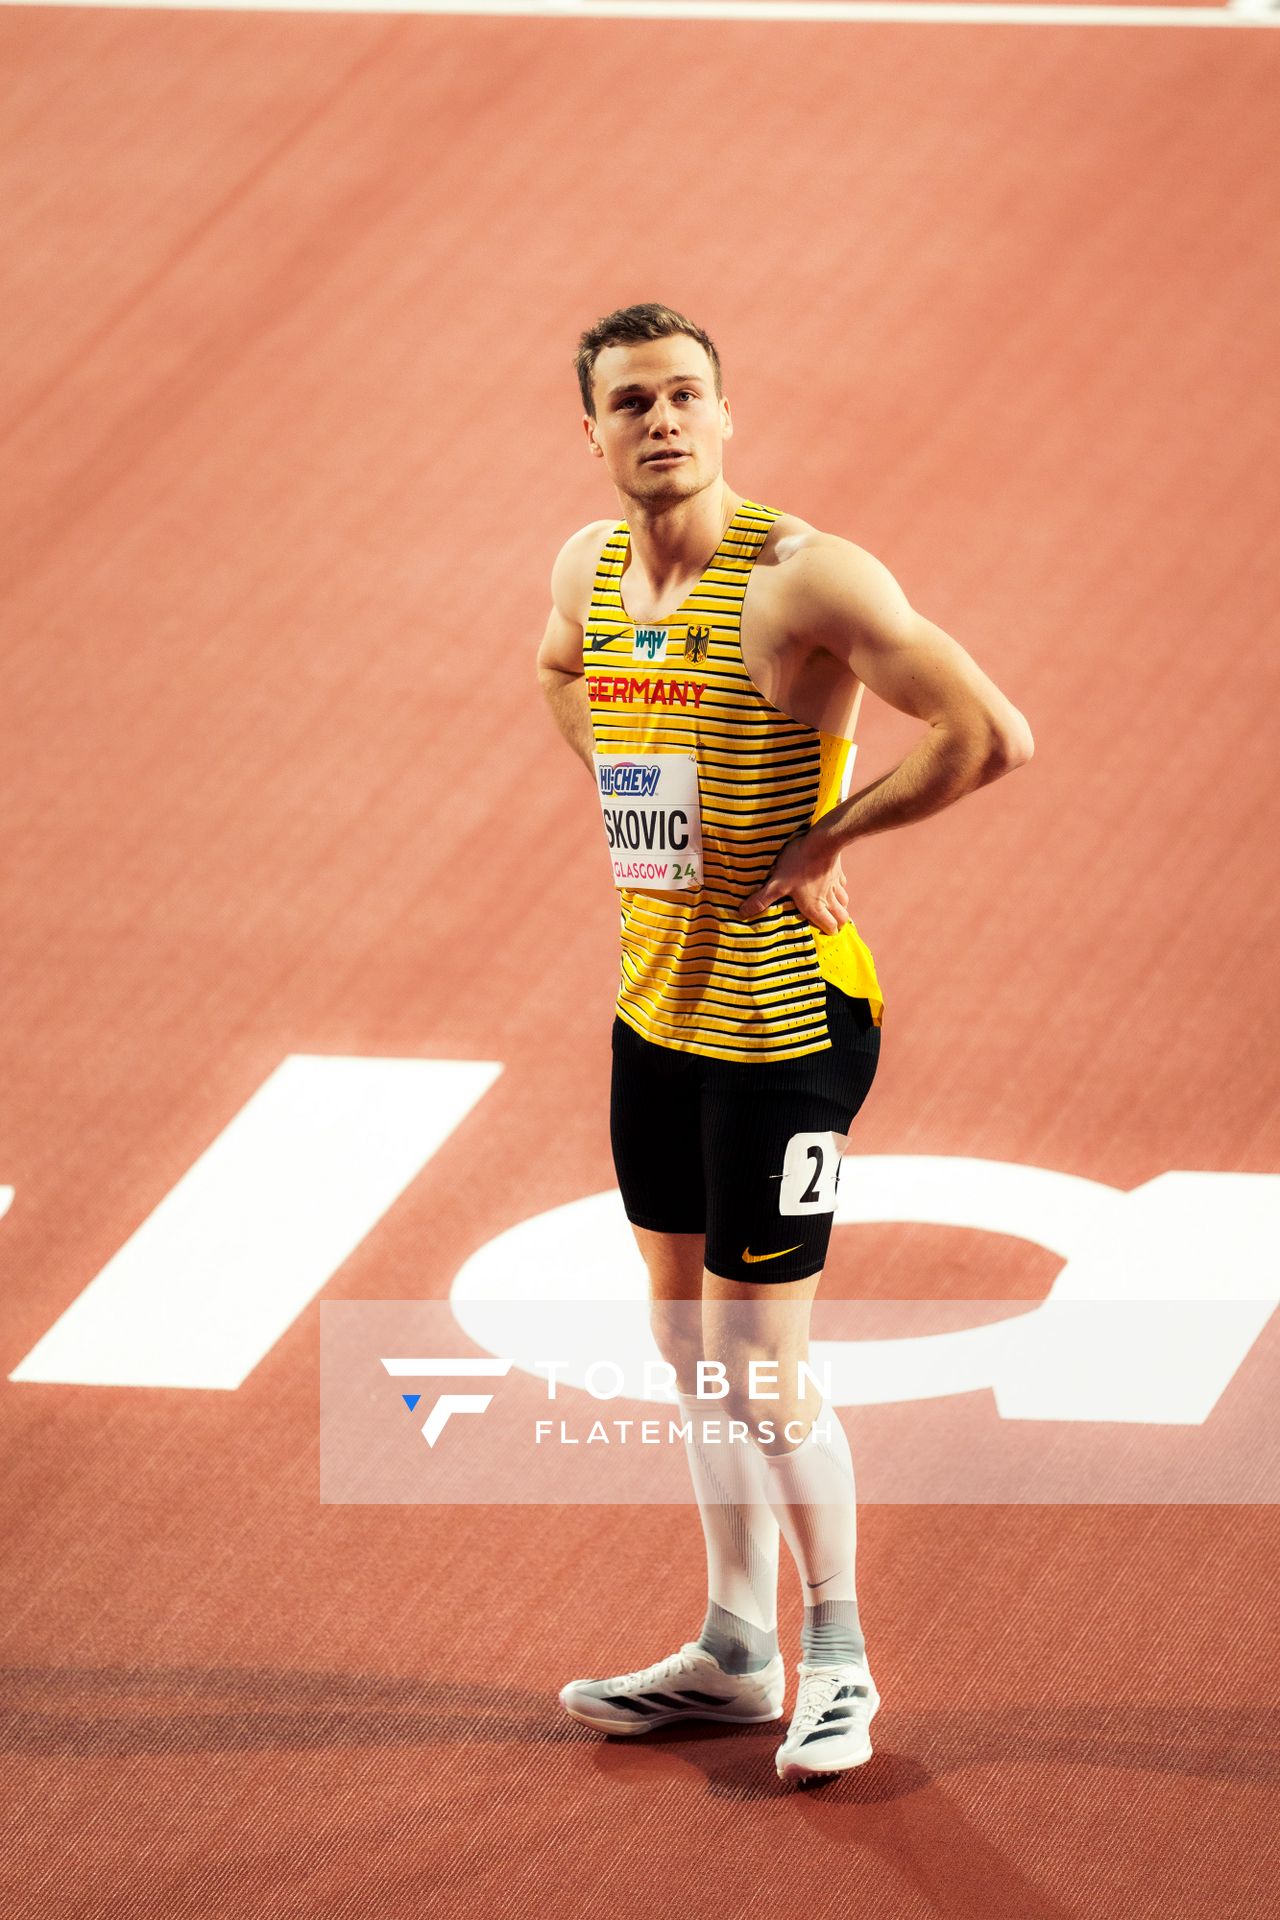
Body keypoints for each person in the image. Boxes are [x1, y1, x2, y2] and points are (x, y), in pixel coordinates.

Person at [536, 303, 1033, 1785]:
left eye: (687, 395)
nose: (663, 422)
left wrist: (828, 834)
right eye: (632, 403)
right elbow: (562, 666)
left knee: (762, 1366)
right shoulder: (591, 567)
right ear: (593, 431)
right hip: (655, 1008)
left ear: (728, 414)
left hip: (785, 1022)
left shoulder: (804, 575)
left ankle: (840, 1661)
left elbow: (990, 732)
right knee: (685, 1346)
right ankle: (735, 1649)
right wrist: (624, 770)